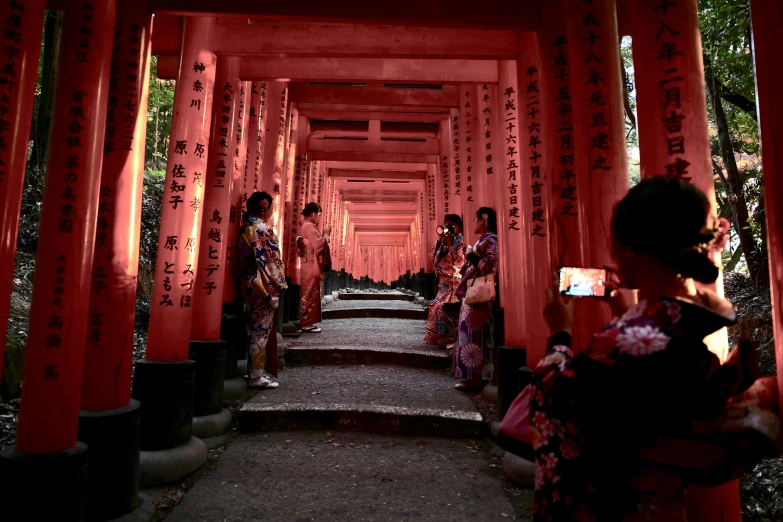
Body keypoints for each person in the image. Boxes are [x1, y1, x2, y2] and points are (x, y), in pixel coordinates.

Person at [522, 178, 780, 521]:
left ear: (630, 248)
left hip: (613, 506)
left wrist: (560, 334)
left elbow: (555, 398)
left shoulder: (633, 338)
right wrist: (624, 313)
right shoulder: (676, 324)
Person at [237, 191, 287, 389]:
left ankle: (253, 372)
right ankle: (256, 376)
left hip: (248, 284)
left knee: (252, 329)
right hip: (261, 286)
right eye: (272, 207)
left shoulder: (249, 226)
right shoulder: (261, 229)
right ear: (264, 207)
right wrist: (274, 290)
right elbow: (268, 262)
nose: (273, 210)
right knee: (261, 331)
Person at [454, 207, 498, 392]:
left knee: (475, 335)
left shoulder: (491, 240)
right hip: (472, 292)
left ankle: (476, 377)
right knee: (467, 333)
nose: (473, 222)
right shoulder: (483, 240)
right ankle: (470, 376)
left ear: (483, 220)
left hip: (479, 295)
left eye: (474, 218)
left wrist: (471, 255)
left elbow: (488, 264)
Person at [425, 214, 466, 348]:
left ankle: (450, 339)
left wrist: (450, 245)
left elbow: (459, 262)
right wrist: (441, 241)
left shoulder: (460, 243)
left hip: (454, 284)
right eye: (446, 225)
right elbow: (433, 258)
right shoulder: (441, 243)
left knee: (444, 310)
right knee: (435, 308)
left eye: (452, 226)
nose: (449, 228)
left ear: (459, 227)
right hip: (443, 283)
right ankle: (439, 339)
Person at [297, 202, 331, 333]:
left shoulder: (303, 226)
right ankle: (306, 323)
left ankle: (306, 322)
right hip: (311, 264)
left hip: (307, 263)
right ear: (313, 213)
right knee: (309, 292)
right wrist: (326, 234)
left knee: (307, 292)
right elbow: (320, 244)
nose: (318, 218)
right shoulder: (309, 226)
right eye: (318, 215)